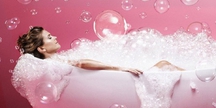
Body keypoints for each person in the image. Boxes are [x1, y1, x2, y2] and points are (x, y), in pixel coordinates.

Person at [16, 26, 183, 75]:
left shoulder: (53, 63)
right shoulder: (53, 64)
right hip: (124, 82)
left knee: (163, 64)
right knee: (164, 64)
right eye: (50, 37)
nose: (55, 37)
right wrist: (118, 68)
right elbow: (80, 63)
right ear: (42, 48)